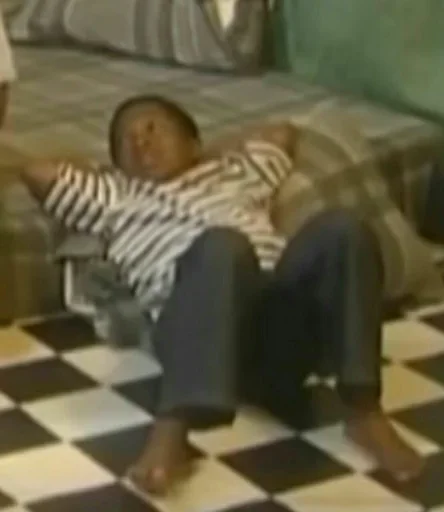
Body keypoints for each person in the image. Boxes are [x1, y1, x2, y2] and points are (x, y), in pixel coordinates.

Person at [21, 95, 423, 495]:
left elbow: (281, 133)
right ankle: (172, 429)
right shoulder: (113, 195)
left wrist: (208, 156)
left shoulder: (237, 175)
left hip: (276, 328)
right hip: (193, 331)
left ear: (193, 142)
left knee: (344, 228)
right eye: (127, 140)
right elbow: (36, 173)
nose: (141, 142)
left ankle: (365, 412)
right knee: (222, 246)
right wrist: (104, 167)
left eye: (153, 129)